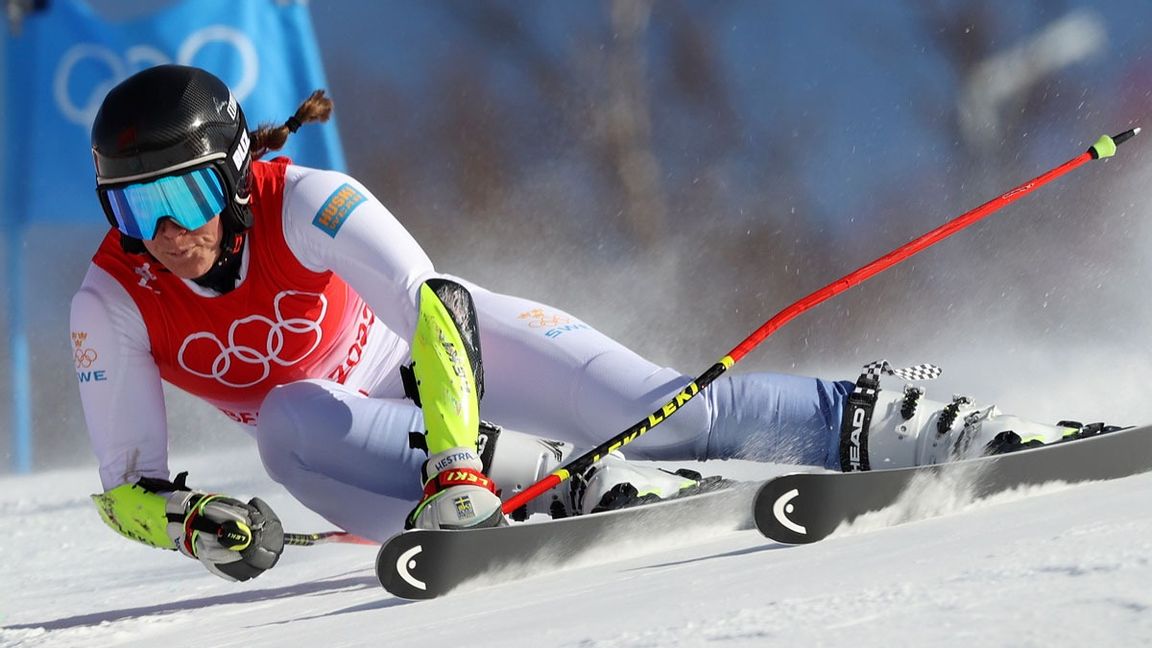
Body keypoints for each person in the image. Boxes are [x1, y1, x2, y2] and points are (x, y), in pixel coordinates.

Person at [72, 65, 1096, 583]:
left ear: (236, 178)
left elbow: (434, 308)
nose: (164, 234)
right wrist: (201, 530)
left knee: (662, 409)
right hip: (351, 447)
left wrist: (458, 467)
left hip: (447, 373)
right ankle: (568, 493)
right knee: (294, 424)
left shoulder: (311, 201)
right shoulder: (111, 301)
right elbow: (127, 490)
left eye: (184, 198)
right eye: (133, 209)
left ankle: (927, 427)